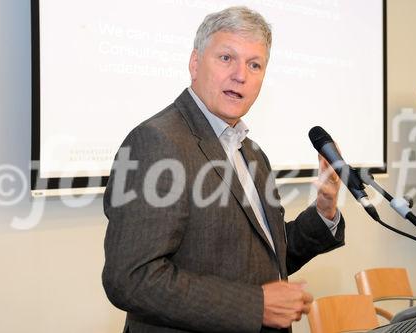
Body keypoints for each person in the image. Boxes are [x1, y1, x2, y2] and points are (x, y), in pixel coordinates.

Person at [102, 6, 345, 333]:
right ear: (195, 63)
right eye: (226, 58)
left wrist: (324, 213)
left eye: (254, 64)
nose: (241, 75)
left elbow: (260, 259)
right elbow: (131, 278)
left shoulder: (253, 154)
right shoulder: (157, 142)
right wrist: (256, 305)